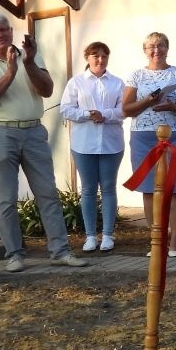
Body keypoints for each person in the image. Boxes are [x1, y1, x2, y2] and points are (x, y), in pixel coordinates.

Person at [0, 13, 87, 272]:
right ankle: (14, 255)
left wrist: (29, 62)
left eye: (4, 30)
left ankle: (60, 251)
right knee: (6, 199)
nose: (0, 35)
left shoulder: (30, 56)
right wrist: (10, 72)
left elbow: (46, 90)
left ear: (11, 31)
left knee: (48, 194)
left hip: (33, 132)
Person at [122, 32, 176, 257]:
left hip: (175, 135)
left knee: (174, 189)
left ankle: (175, 242)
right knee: (149, 189)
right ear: (145, 50)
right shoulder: (136, 75)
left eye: (161, 45)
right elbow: (126, 109)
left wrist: (173, 107)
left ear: (167, 48)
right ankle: (157, 242)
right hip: (144, 136)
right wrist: (148, 100)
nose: (157, 50)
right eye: (152, 46)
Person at [59, 41, 125, 251]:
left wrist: (104, 115)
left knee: (108, 187)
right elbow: (66, 109)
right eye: (95, 55)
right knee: (88, 189)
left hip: (111, 143)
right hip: (83, 144)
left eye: (104, 55)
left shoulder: (117, 83)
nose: (100, 59)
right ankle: (90, 236)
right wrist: (87, 115)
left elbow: (124, 110)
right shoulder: (76, 82)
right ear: (87, 58)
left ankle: (107, 235)